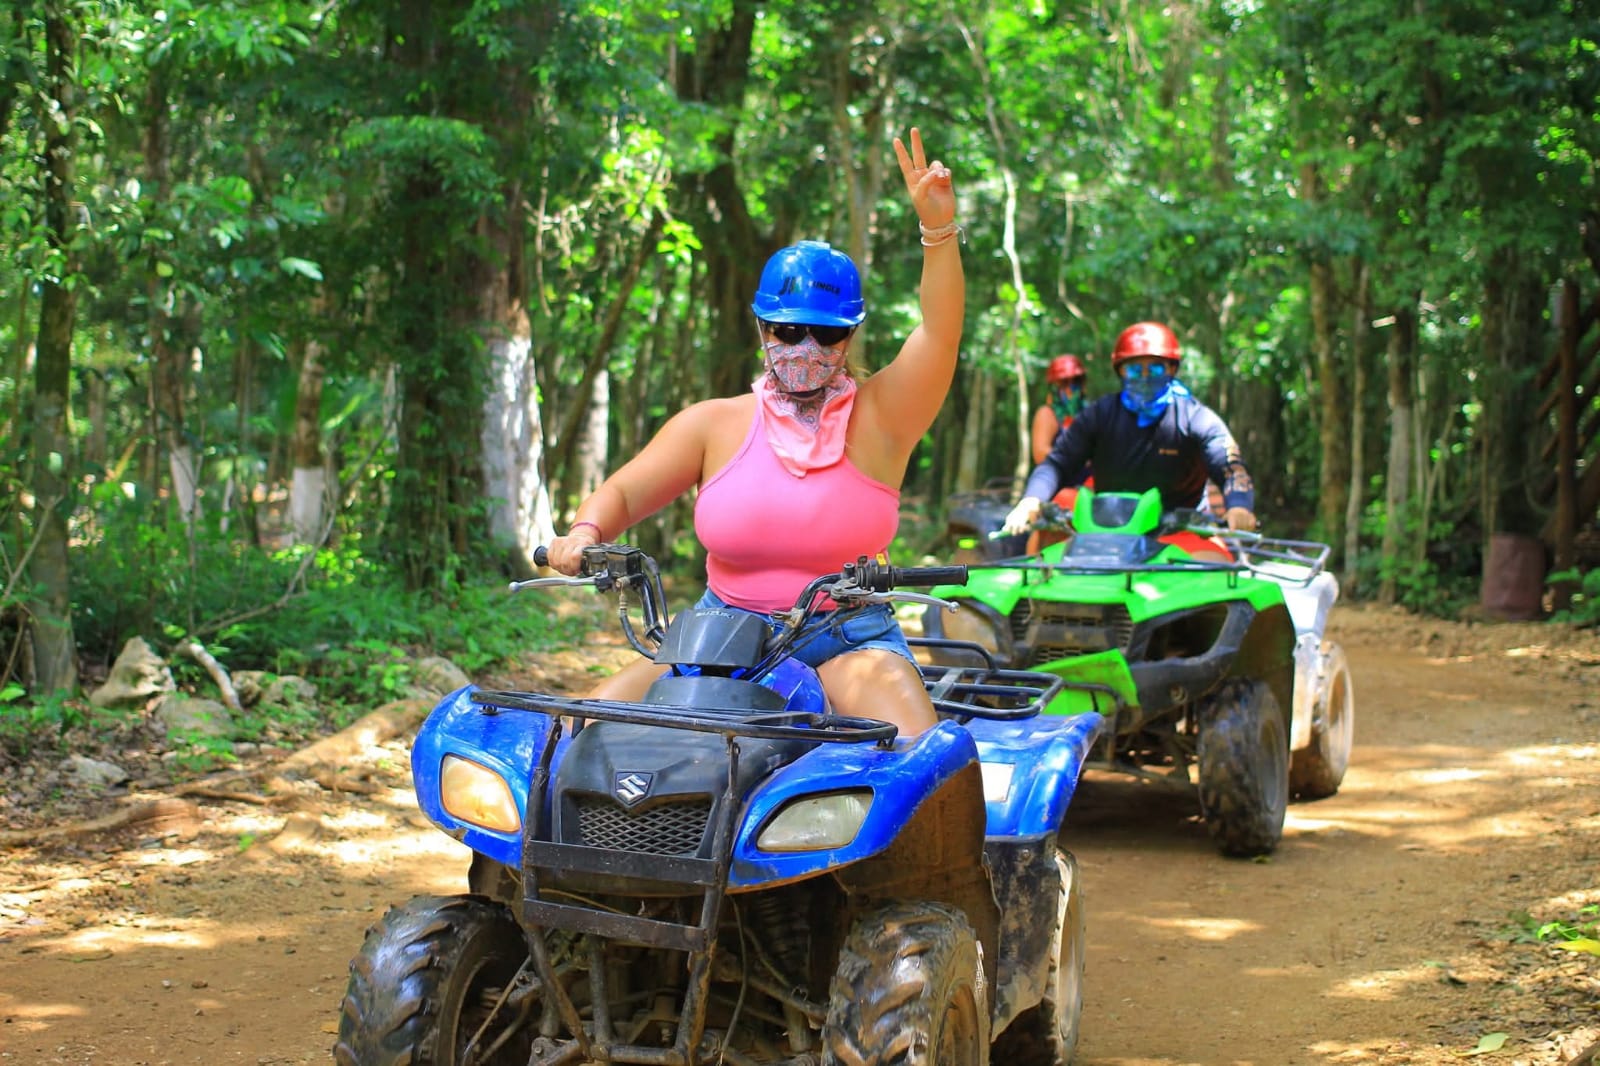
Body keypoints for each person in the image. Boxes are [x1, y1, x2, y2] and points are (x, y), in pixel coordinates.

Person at [546, 128, 962, 739]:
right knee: (583, 732)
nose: (806, 347)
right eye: (789, 331)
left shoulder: (884, 415)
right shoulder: (714, 423)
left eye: (826, 334)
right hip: (721, 637)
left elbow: (940, 332)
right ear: (763, 328)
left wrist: (938, 232)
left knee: (917, 760)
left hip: (846, 639)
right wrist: (586, 531)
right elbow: (627, 493)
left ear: (850, 336)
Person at [1002, 321, 1256, 557]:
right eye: (1135, 369)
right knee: (1038, 571)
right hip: (1101, 535)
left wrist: (1239, 505)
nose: (1145, 377)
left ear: (1171, 369)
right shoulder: (1100, 414)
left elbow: (1231, 466)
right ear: (1121, 371)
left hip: (1180, 533)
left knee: (1217, 576)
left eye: (1155, 367)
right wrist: (1032, 499)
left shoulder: (1195, 417)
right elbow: (1057, 463)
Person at [1027, 353, 1092, 553]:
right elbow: (1040, 453)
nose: (1070, 389)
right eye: (1064, 383)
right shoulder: (1048, 414)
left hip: (1089, 492)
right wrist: (1077, 460)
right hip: (1056, 488)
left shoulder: (1090, 412)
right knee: (1046, 527)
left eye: (1076, 382)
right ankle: (1030, 565)